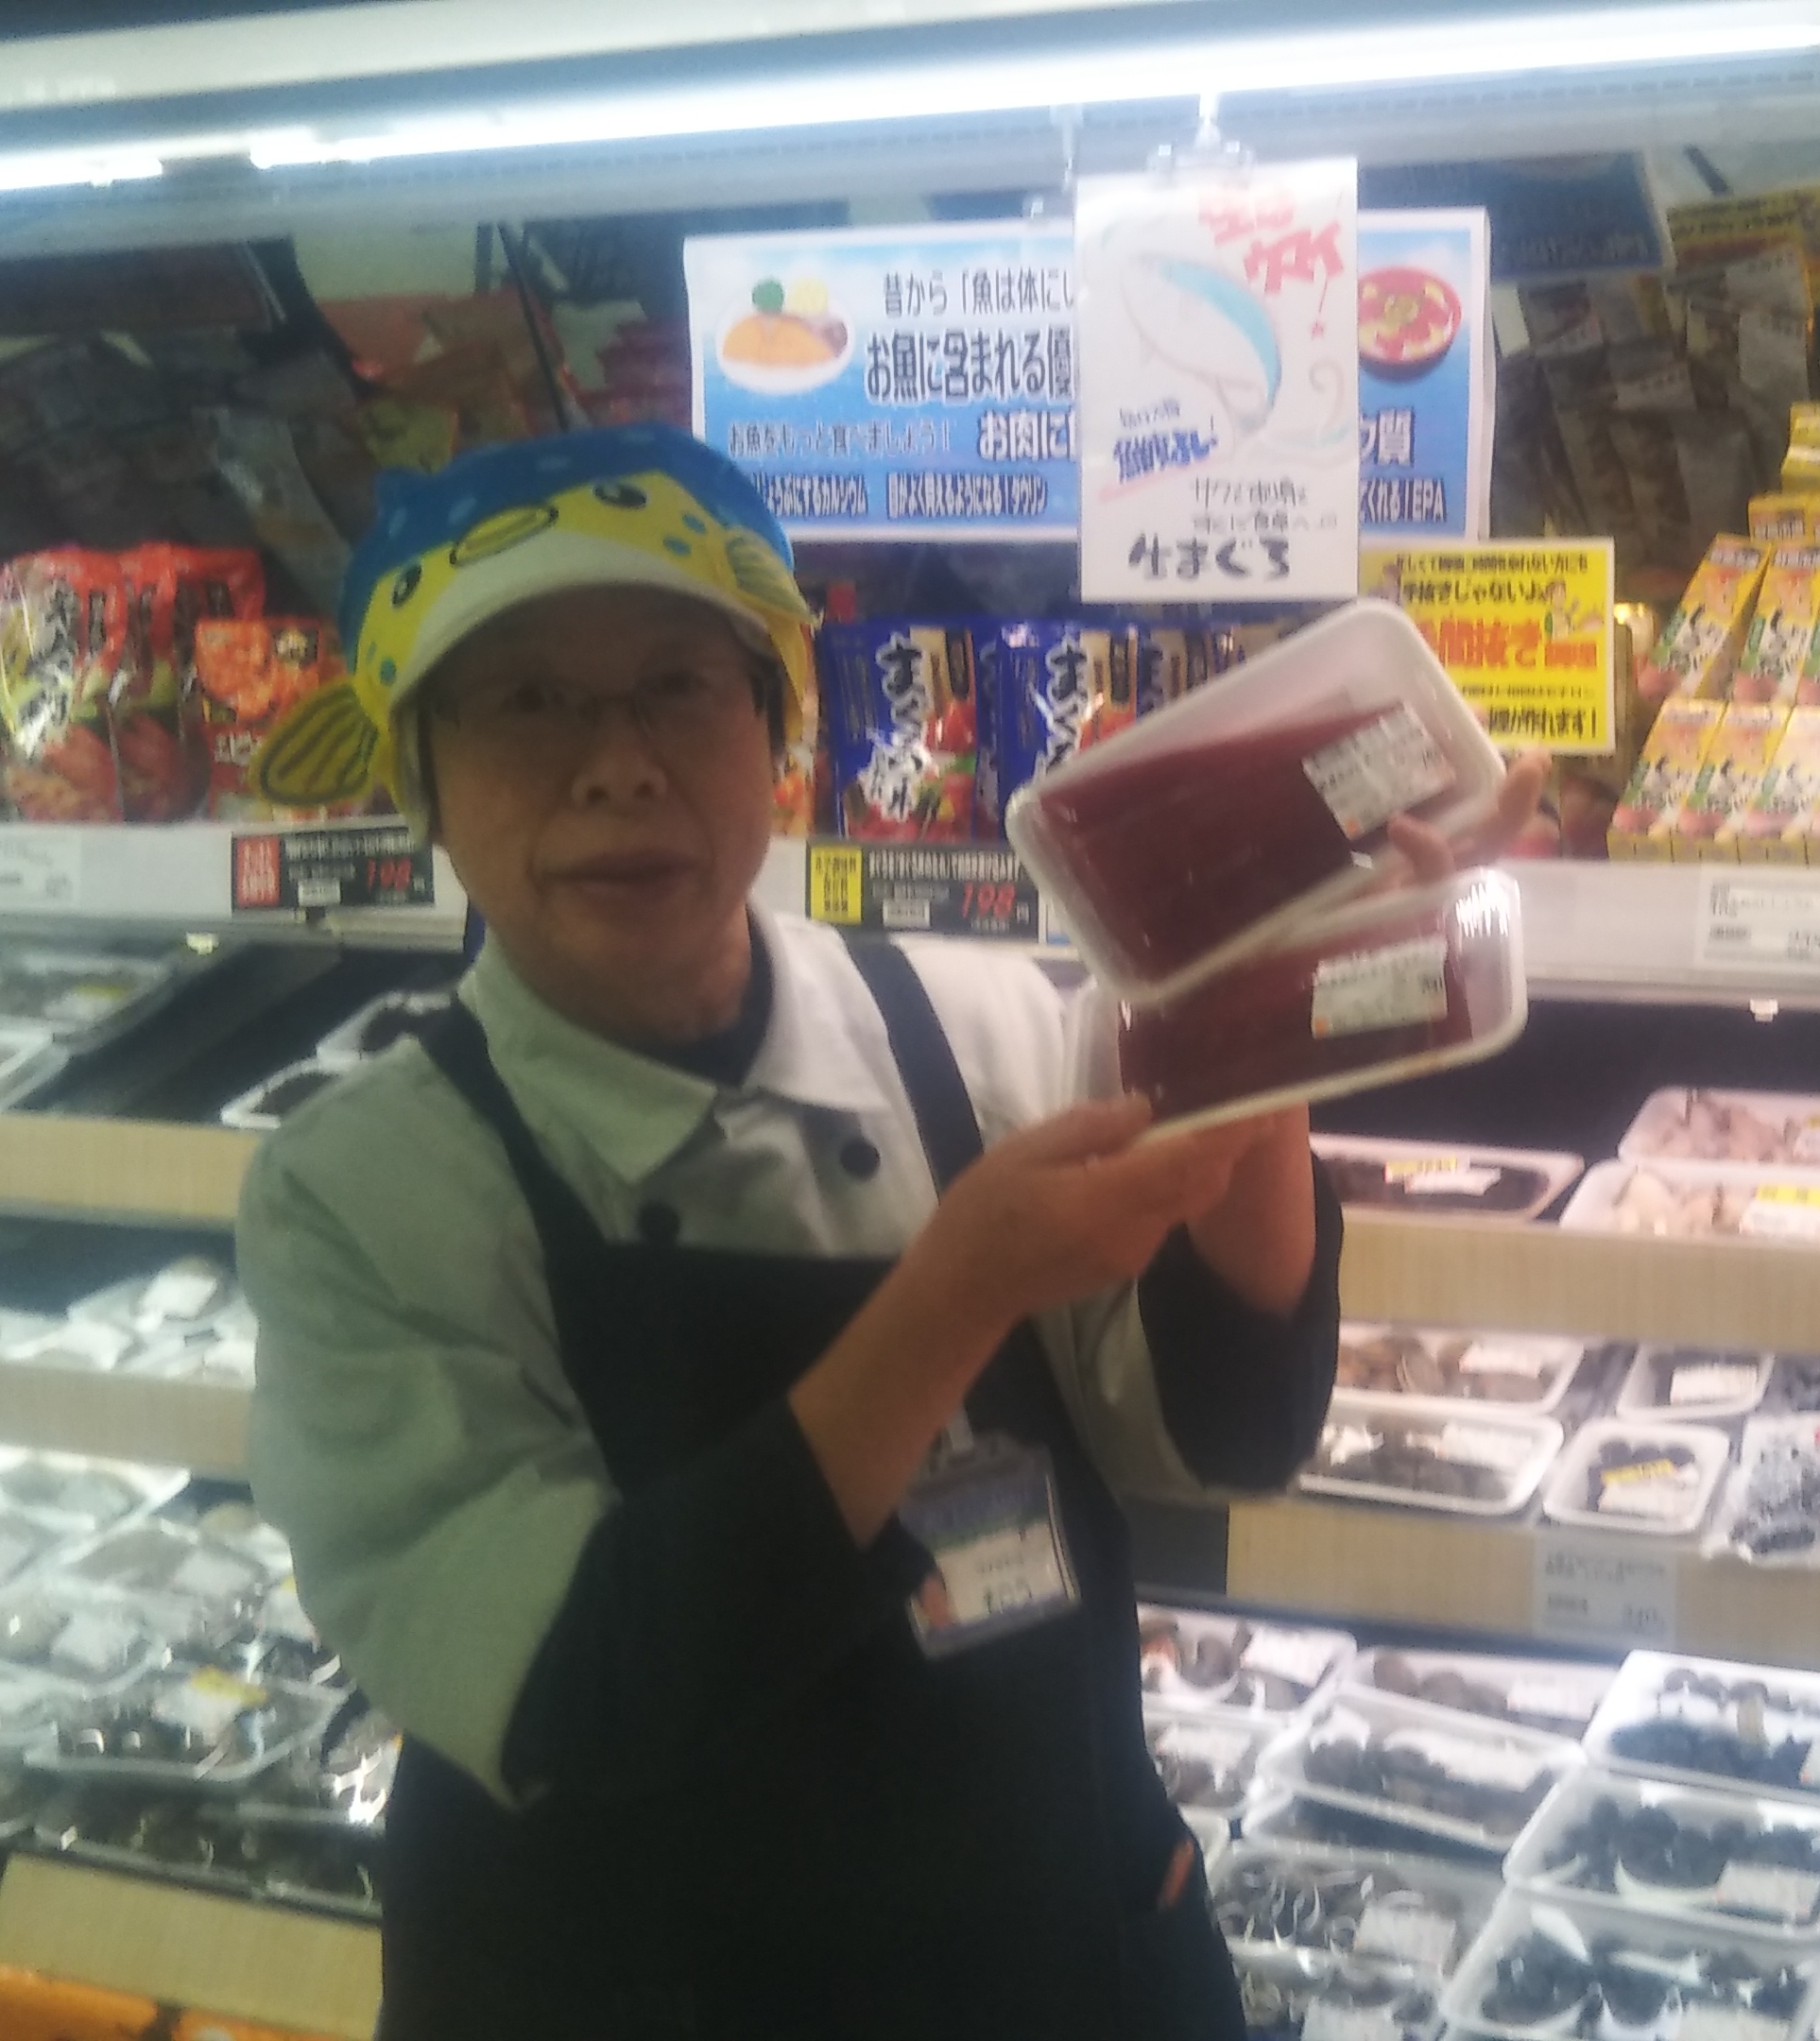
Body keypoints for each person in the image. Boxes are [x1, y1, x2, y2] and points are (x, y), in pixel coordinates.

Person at [235, 423, 1532, 2038]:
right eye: (527, 700)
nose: (618, 762)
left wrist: (1271, 1019)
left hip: (1058, 1954)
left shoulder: (980, 1028)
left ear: (775, 732)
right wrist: (956, 1292)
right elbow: (583, 1683)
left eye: (679, 685)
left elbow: (1229, 1427)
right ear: (418, 773)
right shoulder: (364, 1192)